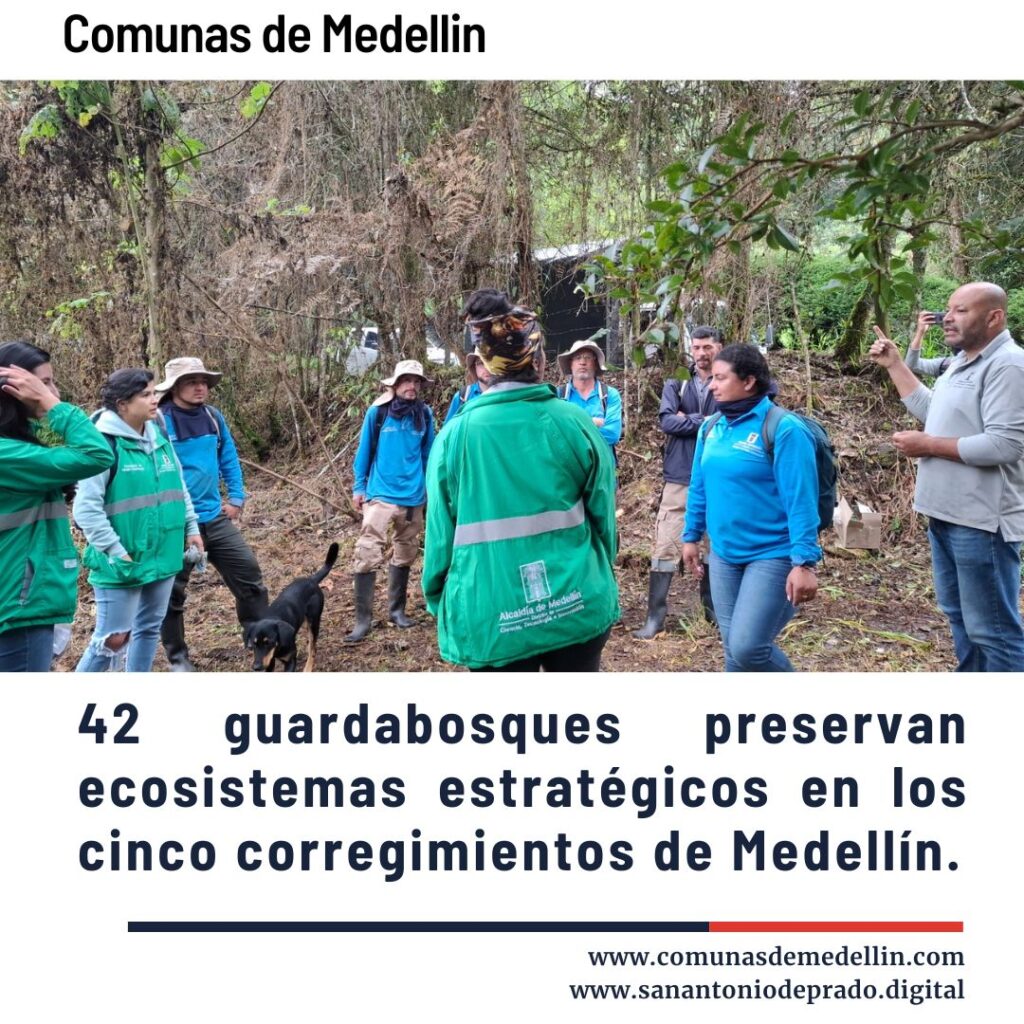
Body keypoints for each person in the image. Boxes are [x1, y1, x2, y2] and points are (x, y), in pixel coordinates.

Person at [423, 296, 619, 671]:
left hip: (491, 614)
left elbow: (438, 539)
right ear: (541, 360)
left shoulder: (453, 439)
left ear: (483, 365)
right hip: (577, 602)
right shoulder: (575, 423)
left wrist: (442, 602)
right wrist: (599, 572)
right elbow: (604, 519)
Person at [869, 281, 1024, 671]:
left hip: (982, 522)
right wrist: (895, 365)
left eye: (961, 311)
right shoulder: (961, 362)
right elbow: (929, 410)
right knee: (959, 618)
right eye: (948, 309)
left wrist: (929, 446)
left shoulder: (1008, 365)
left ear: (994, 317)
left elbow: (1005, 445)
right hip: (945, 516)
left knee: (994, 631)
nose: (947, 319)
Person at [682, 344, 820, 671]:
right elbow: (700, 485)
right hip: (724, 556)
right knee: (733, 651)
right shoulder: (711, 427)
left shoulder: (784, 429)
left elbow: (801, 498)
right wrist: (690, 536)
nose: (711, 385)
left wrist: (804, 561)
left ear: (748, 381)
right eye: (711, 378)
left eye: (720, 378)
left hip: (772, 555)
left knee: (747, 648)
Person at [73, 369, 203, 672]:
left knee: (148, 629)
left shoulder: (157, 432)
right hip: (123, 561)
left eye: (154, 391)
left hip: (163, 553)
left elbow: (177, 485)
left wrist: (192, 528)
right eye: (145, 394)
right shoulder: (102, 442)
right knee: (113, 639)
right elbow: (86, 509)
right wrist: (116, 551)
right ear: (122, 404)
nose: (155, 399)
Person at [0, 342, 114, 671]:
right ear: (13, 388)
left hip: (22, 600)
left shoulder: (18, 445)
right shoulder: (7, 455)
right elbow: (97, 454)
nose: (55, 391)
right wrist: (51, 404)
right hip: (18, 609)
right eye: (45, 382)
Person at [154, 356, 267, 671]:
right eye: (191, 382)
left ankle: (257, 637)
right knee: (172, 591)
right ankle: (177, 657)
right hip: (174, 521)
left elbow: (228, 456)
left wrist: (237, 496)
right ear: (175, 387)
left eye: (203, 381)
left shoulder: (213, 417)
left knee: (249, 575)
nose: (200, 387)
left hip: (214, 516)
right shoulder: (158, 421)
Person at [634, 326, 722, 639]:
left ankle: (713, 613)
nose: (702, 353)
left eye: (707, 347)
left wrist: (690, 419)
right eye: (697, 347)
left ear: (718, 348)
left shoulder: (727, 383)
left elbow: (725, 417)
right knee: (666, 541)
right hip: (679, 474)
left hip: (718, 476)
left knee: (715, 544)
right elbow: (667, 421)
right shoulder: (677, 383)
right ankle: (655, 617)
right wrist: (702, 421)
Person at [346, 359, 435, 643]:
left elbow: (429, 455)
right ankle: (363, 620)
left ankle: (396, 611)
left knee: (406, 552)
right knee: (367, 552)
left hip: (413, 497)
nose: (412, 386)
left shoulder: (425, 414)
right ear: (395, 384)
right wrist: (359, 488)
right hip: (381, 495)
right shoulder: (379, 412)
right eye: (406, 380)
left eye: (416, 381)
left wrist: (430, 488)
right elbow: (364, 452)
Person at [556, 338, 622, 454]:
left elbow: (612, 434)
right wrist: (592, 422)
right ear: (571, 364)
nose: (582, 362)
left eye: (587, 358)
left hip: (603, 468)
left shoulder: (609, 395)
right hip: (570, 468)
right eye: (578, 358)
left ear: (595, 364)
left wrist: (572, 427)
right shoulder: (559, 396)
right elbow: (555, 435)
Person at [442, 348, 493, 426]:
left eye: (490, 362)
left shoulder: (508, 395)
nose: (487, 368)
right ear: (474, 367)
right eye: (481, 363)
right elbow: (447, 431)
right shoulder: (463, 396)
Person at [904, 310, 954, 378]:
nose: (946, 319)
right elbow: (912, 364)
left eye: (961, 311)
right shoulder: (946, 365)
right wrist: (920, 332)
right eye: (947, 312)